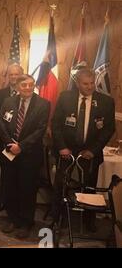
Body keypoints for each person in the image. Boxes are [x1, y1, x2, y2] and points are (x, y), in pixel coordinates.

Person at [51, 68, 115, 232]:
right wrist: (62, 147)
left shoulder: (106, 101)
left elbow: (109, 129)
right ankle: (58, 218)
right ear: (78, 83)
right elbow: (56, 124)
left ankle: (88, 220)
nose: (90, 87)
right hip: (66, 151)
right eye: (85, 84)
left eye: (92, 83)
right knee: (61, 186)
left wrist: (93, 150)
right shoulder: (66, 97)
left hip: (90, 154)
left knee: (89, 187)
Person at [0, 74, 50, 239]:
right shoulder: (8, 102)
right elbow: (1, 123)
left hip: (30, 154)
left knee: (27, 189)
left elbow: (40, 130)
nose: (27, 88)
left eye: (30, 85)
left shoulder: (43, 104)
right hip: (10, 152)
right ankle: (13, 219)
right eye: (24, 85)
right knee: (10, 186)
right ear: (18, 87)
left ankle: (26, 223)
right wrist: (10, 144)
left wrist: (21, 146)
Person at [0, 64, 23, 212]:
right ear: (7, 76)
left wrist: (19, 143)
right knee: (6, 173)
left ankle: (16, 202)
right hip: (4, 142)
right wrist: (8, 141)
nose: (14, 77)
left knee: (20, 176)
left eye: (17, 74)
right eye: (11, 74)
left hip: (23, 143)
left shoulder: (30, 94)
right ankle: (3, 199)